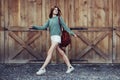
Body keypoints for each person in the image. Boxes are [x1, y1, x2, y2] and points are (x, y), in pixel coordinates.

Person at [29, 6, 77, 75]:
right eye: (55, 9)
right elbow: (43, 27)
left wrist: (72, 33)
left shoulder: (59, 18)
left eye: (57, 10)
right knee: (61, 52)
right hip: (52, 38)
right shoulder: (49, 20)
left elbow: (65, 27)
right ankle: (69, 66)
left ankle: (42, 68)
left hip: (57, 38)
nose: (56, 11)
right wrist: (34, 27)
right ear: (52, 11)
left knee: (49, 52)